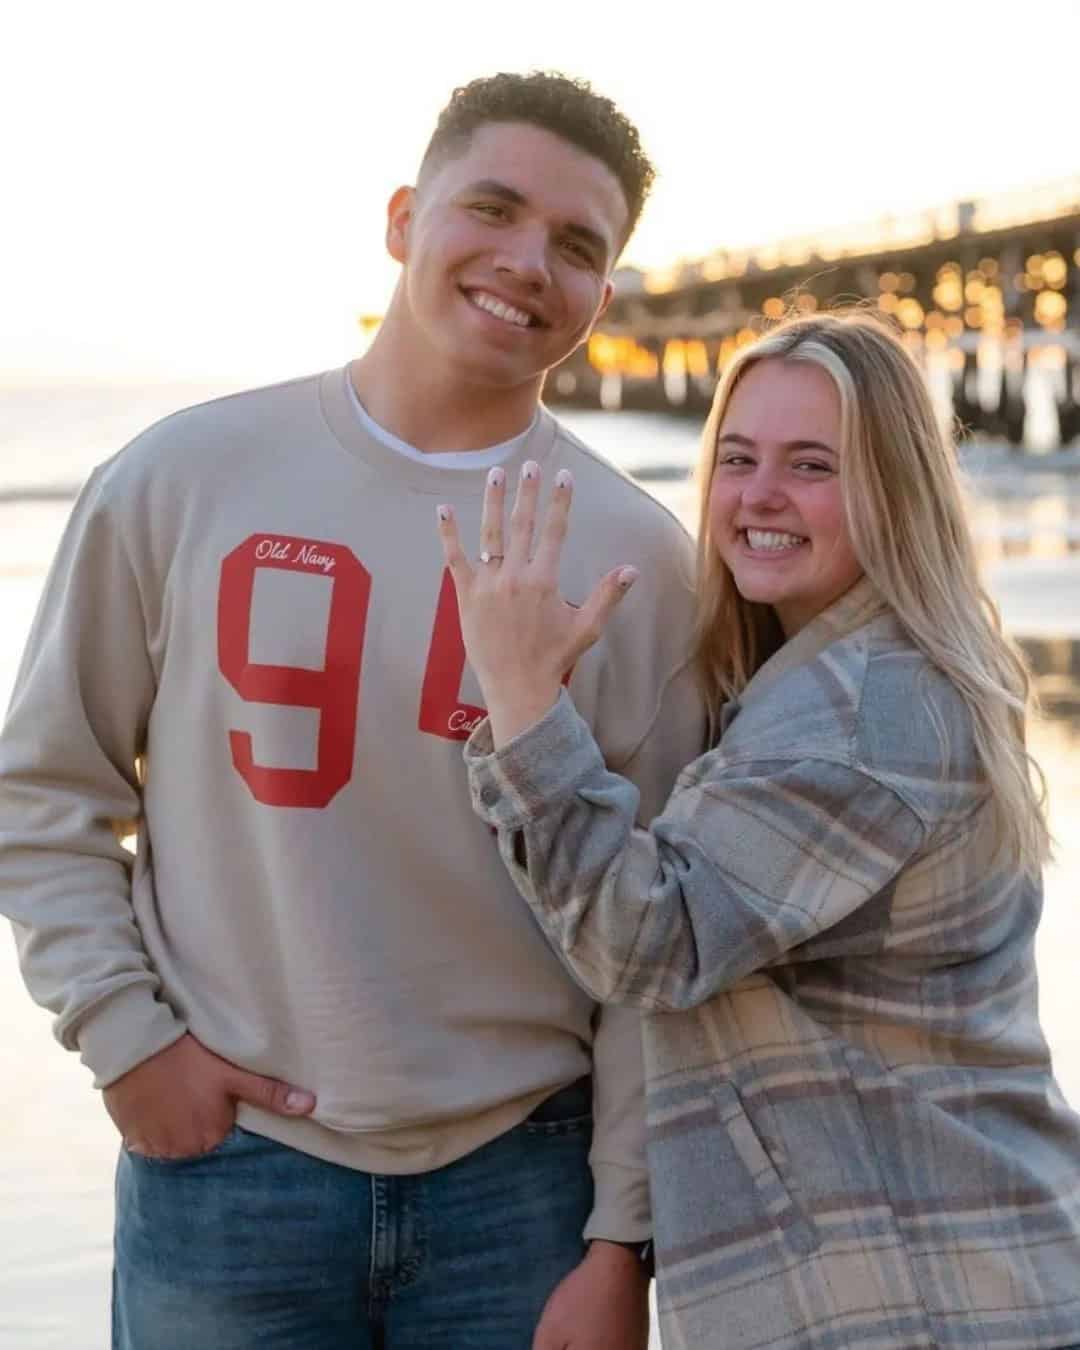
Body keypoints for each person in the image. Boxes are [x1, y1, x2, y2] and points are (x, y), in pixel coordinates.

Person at [0, 72, 706, 1349]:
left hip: (523, 1186)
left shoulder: (636, 556)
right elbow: (45, 790)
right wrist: (125, 1043)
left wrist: (622, 1236)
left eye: (577, 246)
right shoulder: (183, 478)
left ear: (605, 294)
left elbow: (655, 942)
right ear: (400, 218)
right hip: (232, 1175)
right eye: (491, 207)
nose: (525, 262)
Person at [438, 310, 1080, 1348]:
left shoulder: (861, 716)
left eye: (812, 464)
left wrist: (523, 704)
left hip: (917, 1299)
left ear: (895, 490)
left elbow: (647, 943)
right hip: (939, 1272)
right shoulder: (827, 681)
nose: (758, 496)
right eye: (736, 458)